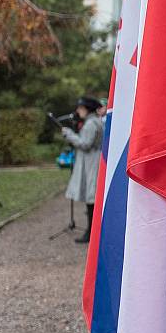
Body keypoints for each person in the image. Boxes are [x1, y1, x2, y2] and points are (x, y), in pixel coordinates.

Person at [62, 96, 104, 244]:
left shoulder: (91, 123)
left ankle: (91, 232)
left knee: (91, 197)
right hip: (93, 160)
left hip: (91, 162)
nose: (78, 111)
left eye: (80, 108)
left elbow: (85, 144)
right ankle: (92, 231)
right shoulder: (95, 122)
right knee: (91, 197)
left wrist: (69, 135)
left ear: (87, 109)